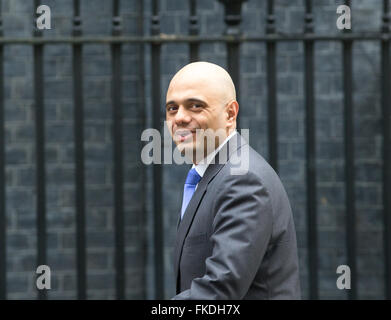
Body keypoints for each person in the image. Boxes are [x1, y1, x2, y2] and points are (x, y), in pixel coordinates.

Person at [165, 61, 301, 299]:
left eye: (195, 106)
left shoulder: (243, 180)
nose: (180, 118)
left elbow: (219, 290)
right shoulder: (214, 175)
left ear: (230, 114)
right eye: (172, 108)